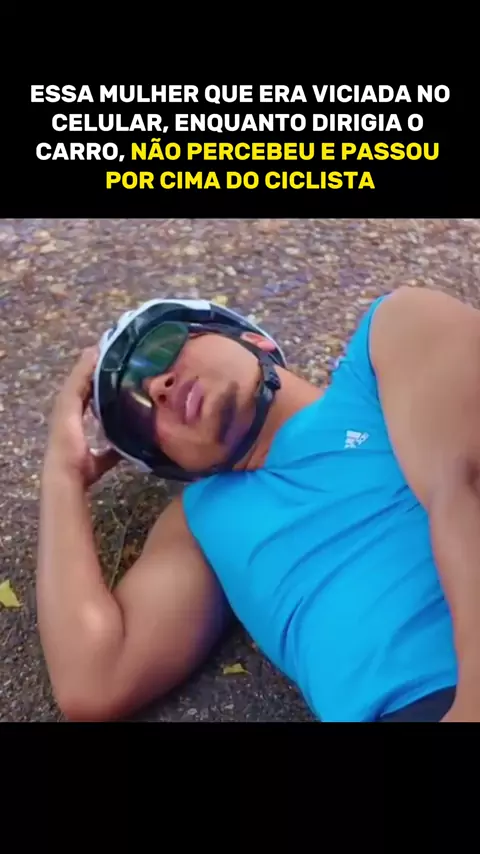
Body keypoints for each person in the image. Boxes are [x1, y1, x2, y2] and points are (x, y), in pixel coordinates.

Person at [36, 285, 480, 723]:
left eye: (161, 348)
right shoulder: (201, 522)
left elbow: (464, 487)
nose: (157, 387)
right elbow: (94, 677)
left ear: (252, 339)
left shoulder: (393, 336)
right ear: (174, 463)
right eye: (137, 414)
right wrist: (62, 476)